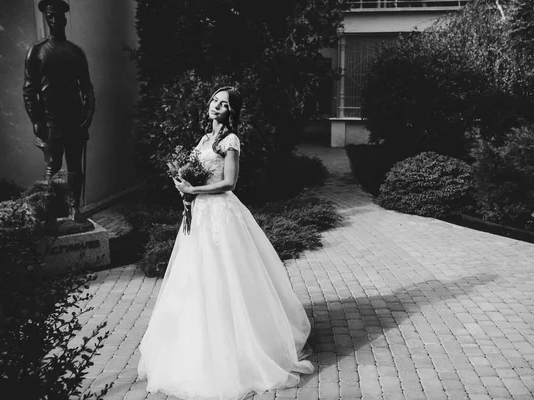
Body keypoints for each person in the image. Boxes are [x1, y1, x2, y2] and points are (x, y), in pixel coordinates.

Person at [137, 87, 315, 399]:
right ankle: (197, 341)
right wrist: (183, 185)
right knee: (196, 279)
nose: (217, 106)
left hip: (220, 214)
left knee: (226, 275)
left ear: (232, 111)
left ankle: (240, 345)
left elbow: (230, 182)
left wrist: (195, 191)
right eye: (215, 100)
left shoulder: (230, 141)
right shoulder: (204, 139)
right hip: (198, 216)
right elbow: (196, 174)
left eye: (224, 103)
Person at [23, 0, 95, 223]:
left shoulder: (75, 52)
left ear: (64, 18)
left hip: (74, 118)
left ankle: (75, 208)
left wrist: (88, 113)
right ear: (47, 19)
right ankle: (52, 211)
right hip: (50, 119)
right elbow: (29, 89)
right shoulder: (36, 51)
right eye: (50, 16)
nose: (54, 19)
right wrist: (36, 119)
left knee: (74, 166)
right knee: (53, 166)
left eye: (58, 16)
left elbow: (87, 87)